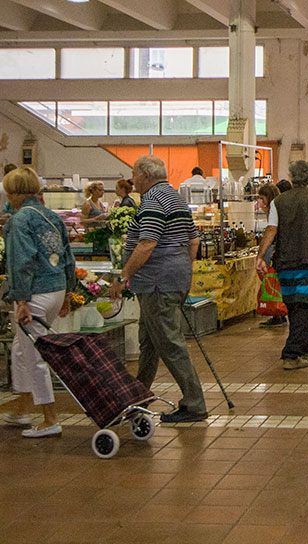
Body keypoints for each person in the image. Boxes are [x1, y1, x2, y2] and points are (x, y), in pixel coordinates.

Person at [108, 155, 207, 423]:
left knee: (169, 343)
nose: (132, 180)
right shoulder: (175, 197)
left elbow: (147, 243)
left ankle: (194, 403)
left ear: (146, 175)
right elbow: (194, 240)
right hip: (171, 278)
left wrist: (123, 277)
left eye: (134, 174)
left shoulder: (152, 200)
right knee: (149, 342)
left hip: (157, 283)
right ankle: (138, 397)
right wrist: (181, 269)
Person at [2, 167, 76, 438]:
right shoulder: (52, 216)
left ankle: (50, 417)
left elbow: (20, 261)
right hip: (56, 289)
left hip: (34, 293)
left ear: (14, 193)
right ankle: (22, 408)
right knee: (21, 349)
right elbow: (68, 255)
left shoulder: (19, 220)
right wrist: (68, 292)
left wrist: (20, 299)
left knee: (35, 356)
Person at [255, 160, 308, 370]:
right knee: (303, 305)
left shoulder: (279, 202)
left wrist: (260, 255)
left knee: (294, 305)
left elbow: (271, 230)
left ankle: (304, 346)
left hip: (284, 262)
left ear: (292, 178)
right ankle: (291, 354)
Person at [255, 183, 287, 326]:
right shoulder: (280, 204)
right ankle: (278, 311)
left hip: (273, 246)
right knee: (274, 281)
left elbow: (273, 228)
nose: (261, 202)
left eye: (262, 198)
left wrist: (262, 254)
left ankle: (276, 312)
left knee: (271, 280)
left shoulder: (275, 206)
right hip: (276, 246)